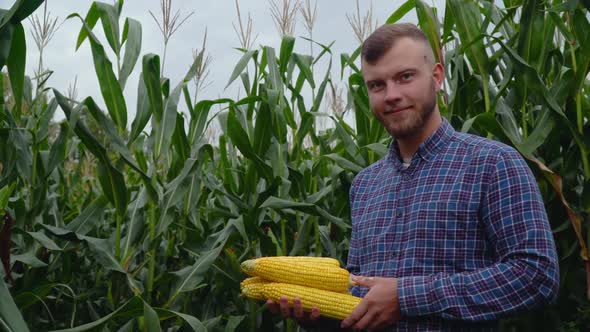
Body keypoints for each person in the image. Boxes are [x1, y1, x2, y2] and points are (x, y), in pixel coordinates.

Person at [267, 22, 559, 331]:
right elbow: (363, 299)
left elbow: (536, 275)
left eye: (405, 77)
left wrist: (407, 297)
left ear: (436, 76)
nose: (391, 95)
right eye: (377, 85)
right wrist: (317, 316)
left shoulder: (493, 164)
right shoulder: (365, 185)